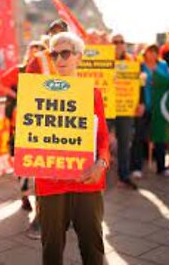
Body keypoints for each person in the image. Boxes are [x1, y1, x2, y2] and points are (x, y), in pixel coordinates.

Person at [36, 31, 110, 265]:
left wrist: (102, 163)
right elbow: (31, 136)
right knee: (51, 250)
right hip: (50, 181)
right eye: (54, 54)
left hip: (86, 180)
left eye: (65, 53)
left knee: (93, 248)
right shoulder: (38, 92)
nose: (59, 60)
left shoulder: (92, 93)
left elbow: (103, 139)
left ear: (78, 56)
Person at [23, 19, 69, 240]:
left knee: (66, 172)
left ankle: (62, 216)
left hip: (70, 126)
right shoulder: (38, 60)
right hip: (44, 125)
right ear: (48, 36)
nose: (57, 36)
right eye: (54, 33)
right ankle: (40, 217)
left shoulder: (80, 59)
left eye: (62, 33)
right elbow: (27, 90)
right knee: (43, 172)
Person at [0, 40, 46, 211]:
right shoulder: (19, 70)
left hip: (41, 123)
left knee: (40, 159)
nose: (36, 54)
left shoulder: (46, 72)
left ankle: (41, 195)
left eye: (40, 51)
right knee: (21, 157)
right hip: (19, 123)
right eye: (33, 50)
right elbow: (0, 83)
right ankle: (25, 194)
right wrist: (17, 95)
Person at [138, 44, 169, 177]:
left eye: (155, 51)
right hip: (145, 106)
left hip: (160, 107)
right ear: (145, 53)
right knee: (140, 136)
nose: (153, 54)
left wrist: (159, 80)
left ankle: (162, 168)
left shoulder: (163, 65)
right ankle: (137, 168)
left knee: (160, 138)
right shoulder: (140, 66)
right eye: (150, 51)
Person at [109, 33, 140, 189]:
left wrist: (139, 103)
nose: (118, 44)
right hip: (107, 108)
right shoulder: (104, 60)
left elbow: (137, 84)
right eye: (115, 41)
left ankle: (124, 176)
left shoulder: (132, 61)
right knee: (101, 142)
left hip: (125, 107)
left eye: (121, 41)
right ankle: (96, 177)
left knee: (125, 143)